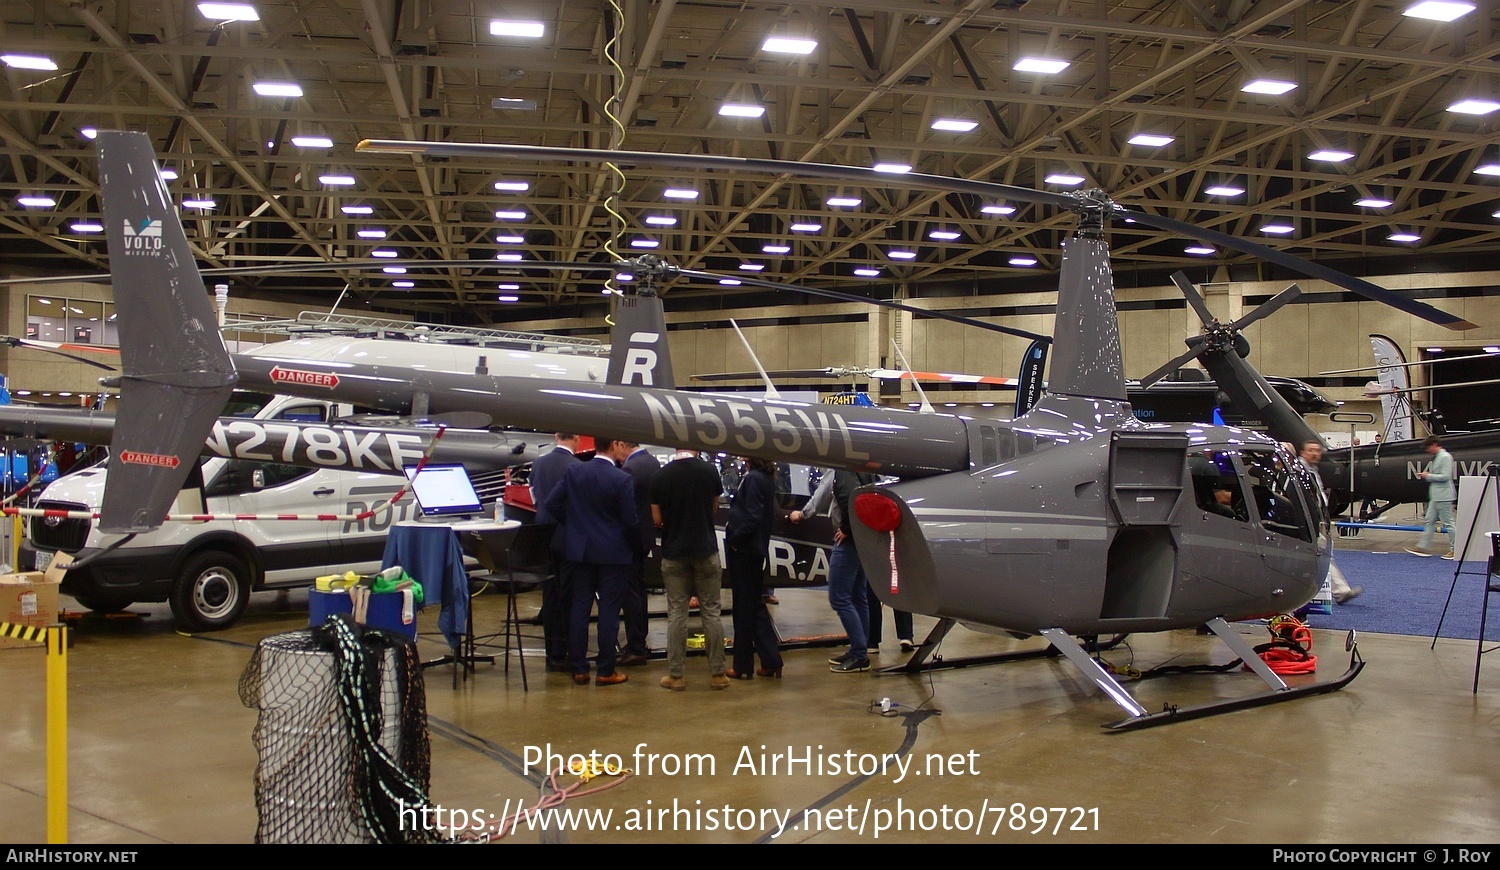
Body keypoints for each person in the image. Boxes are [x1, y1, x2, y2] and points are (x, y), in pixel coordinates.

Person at [542, 438, 637, 686]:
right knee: (608, 611)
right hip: (613, 553)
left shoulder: (574, 471)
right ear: (615, 445)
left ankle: (580, 668)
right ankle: (605, 670)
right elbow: (629, 521)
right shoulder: (621, 479)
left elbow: (552, 503)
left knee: (580, 610)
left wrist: (574, 525)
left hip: (581, 551)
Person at [650, 449, 728, 691]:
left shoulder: (661, 476)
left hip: (674, 552)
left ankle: (676, 676)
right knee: (711, 612)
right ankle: (718, 675)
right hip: (705, 550)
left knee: (676, 614)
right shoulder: (709, 471)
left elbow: (656, 518)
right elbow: (714, 507)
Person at [793, 468, 879, 672]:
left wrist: (847, 529)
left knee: (839, 597)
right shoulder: (861, 468)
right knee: (858, 596)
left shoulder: (843, 471)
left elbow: (849, 498)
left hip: (849, 541)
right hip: (863, 538)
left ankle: (859, 655)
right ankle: (860, 648)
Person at [724, 456, 783, 679]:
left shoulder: (755, 479)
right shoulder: (764, 478)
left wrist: (736, 540)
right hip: (753, 550)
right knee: (753, 606)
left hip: (746, 551)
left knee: (744, 609)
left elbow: (753, 516)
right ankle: (769, 660)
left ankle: (743, 665)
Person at [528, 432, 581, 670]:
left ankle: (553, 652)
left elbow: (534, 496)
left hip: (543, 535)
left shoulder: (538, 464)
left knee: (549, 594)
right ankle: (568, 651)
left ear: (556, 436)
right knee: (569, 596)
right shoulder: (576, 467)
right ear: (577, 438)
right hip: (569, 537)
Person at [1299, 440, 1363, 604]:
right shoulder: (1299, 470)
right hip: (1306, 520)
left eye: (1317, 450)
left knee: (1324, 555)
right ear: (1302, 452)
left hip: (1318, 519)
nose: (1314, 453)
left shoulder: (1312, 470)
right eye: (1310, 450)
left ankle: (1340, 590)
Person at [618, 441, 660, 666]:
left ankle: (635, 645)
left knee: (631, 593)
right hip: (645, 537)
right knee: (638, 590)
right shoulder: (652, 463)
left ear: (623, 445)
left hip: (630, 540)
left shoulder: (630, 470)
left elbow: (626, 509)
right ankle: (638, 641)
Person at [1407, 435, 1456, 559]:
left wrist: (1428, 476)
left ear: (1434, 445)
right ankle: (1423, 546)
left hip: (1444, 496)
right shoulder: (1438, 457)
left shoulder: (1445, 457)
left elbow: (1445, 476)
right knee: (1429, 520)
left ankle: (1455, 549)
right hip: (1437, 496)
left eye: (1428, 447)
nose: (1427, 450)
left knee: (1448, 523)